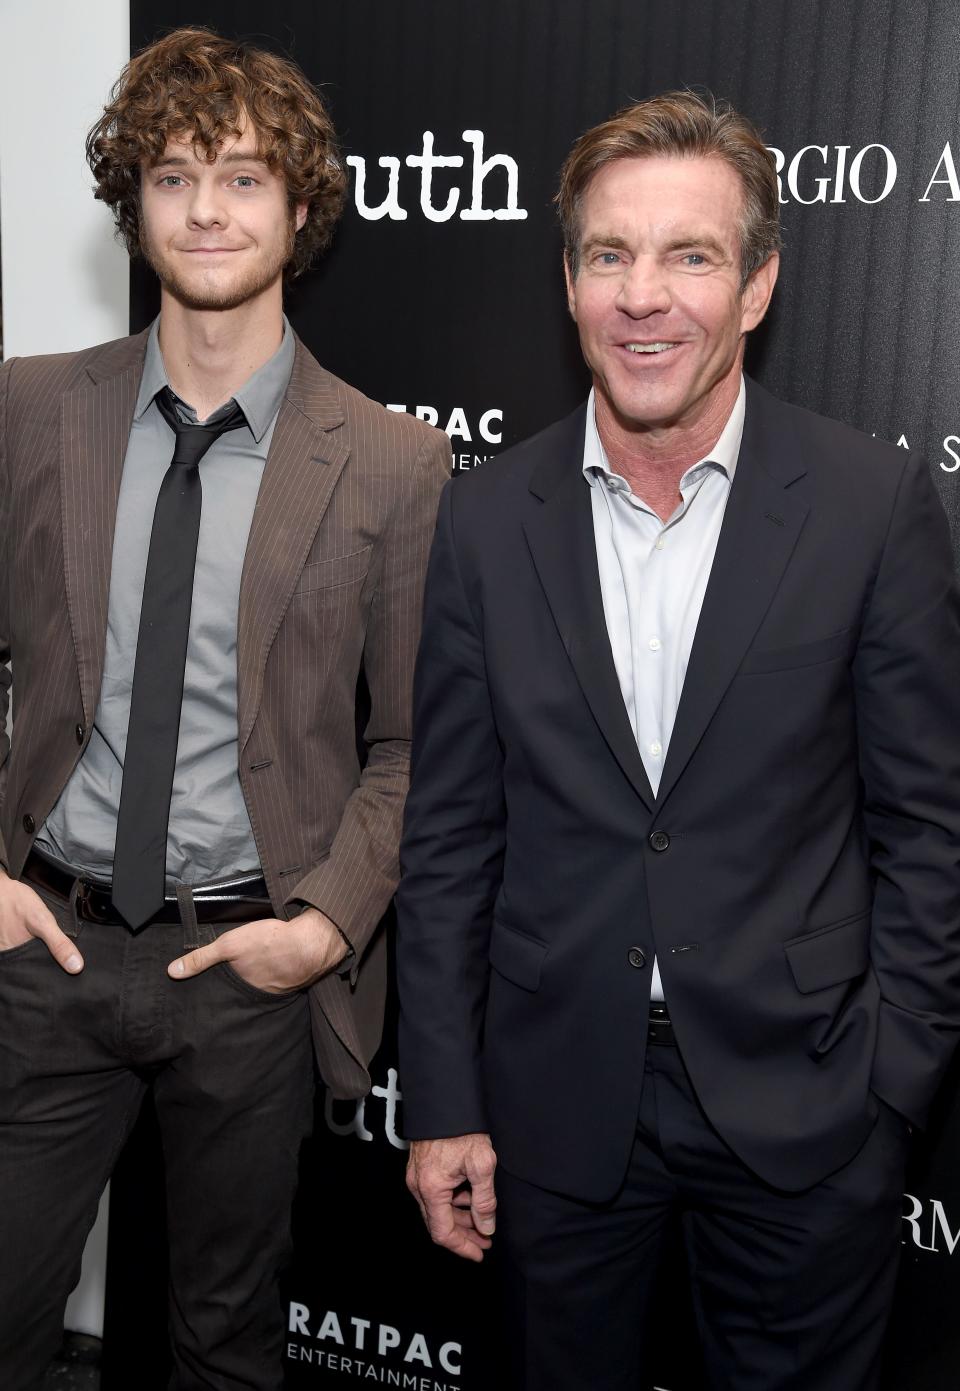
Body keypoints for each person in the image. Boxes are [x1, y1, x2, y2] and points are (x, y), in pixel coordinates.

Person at [396, 90, 960, 1390]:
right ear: (570, 281)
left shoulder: (871, 509)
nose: (643, 296)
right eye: (610, 255)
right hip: (555, 1107)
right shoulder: (486, 522)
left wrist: (894, 1086)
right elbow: (450, 838)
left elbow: (931, 824)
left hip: (810, 1107)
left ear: (757, 286)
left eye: (690, 255)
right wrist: (443, 1104)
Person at [0, 26, 448, 1391]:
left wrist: (318, 929)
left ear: (301, 210)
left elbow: (414, 744)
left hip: (247, 974)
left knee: (225, 1348)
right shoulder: (29, 410)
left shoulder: (390, 460)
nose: (208, 208)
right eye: (176, 174)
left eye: (246, 177)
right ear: (133, 202)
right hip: (47, 952)